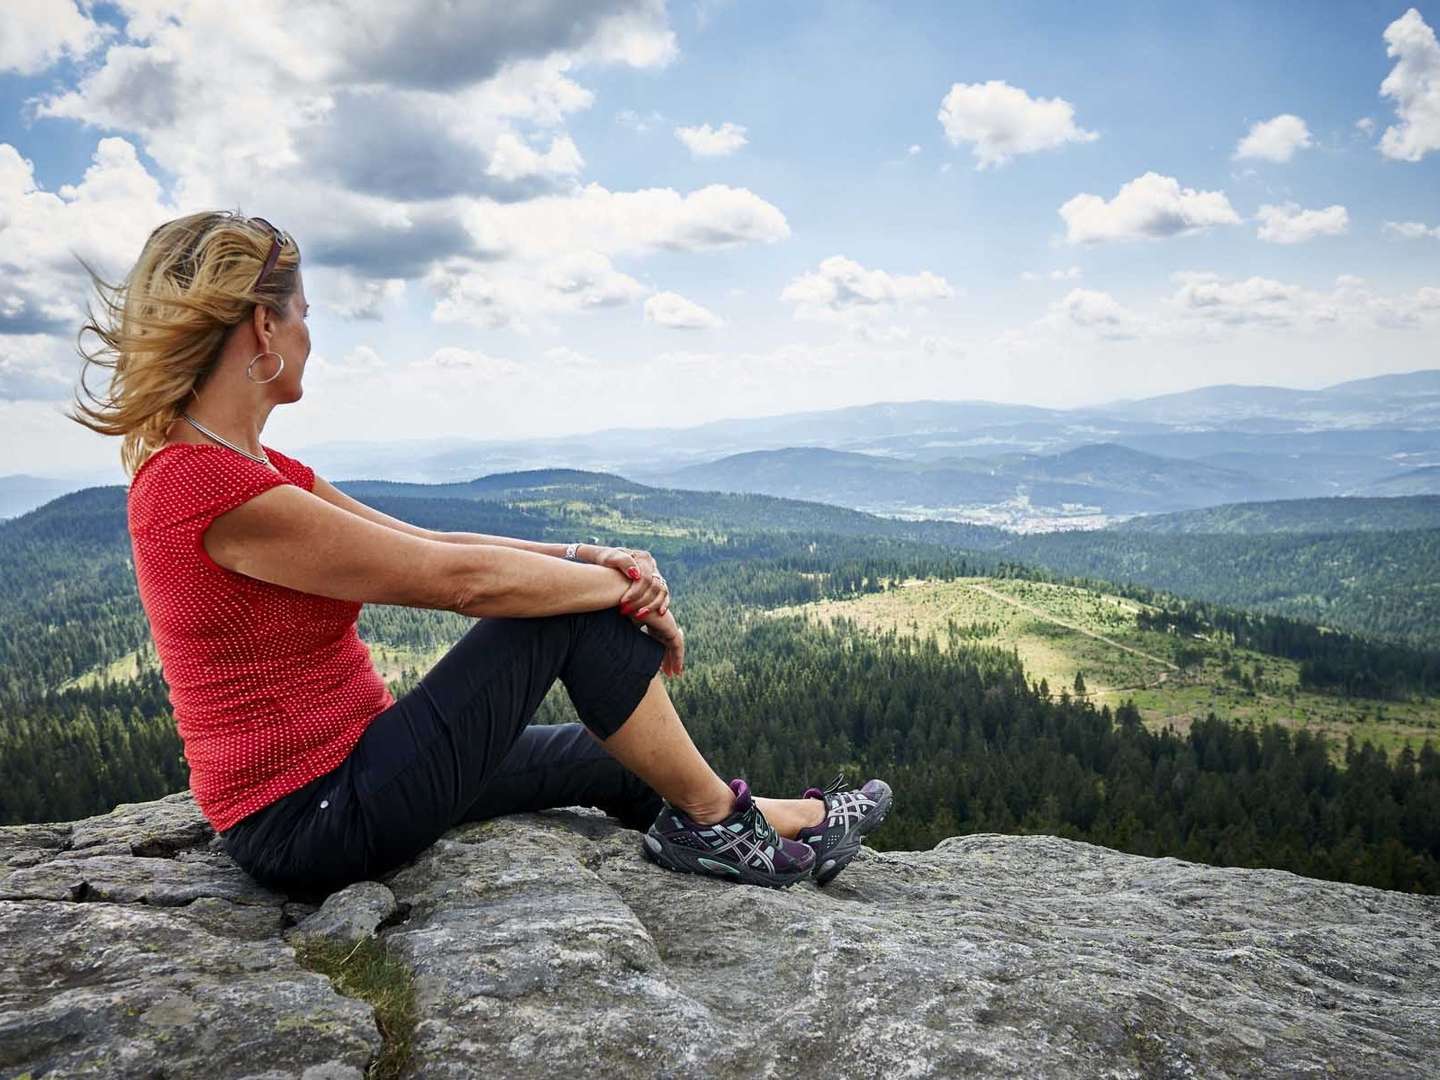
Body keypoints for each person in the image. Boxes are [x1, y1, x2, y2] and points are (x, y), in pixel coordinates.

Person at [69, 210, 892, 899]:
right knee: (557, 621)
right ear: (263, 325)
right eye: (303, 312)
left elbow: (430, 539)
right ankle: (724, 833)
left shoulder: (253, 469)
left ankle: (774, 821)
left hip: (360, 763)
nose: (309, 333)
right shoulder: (204, 487)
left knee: (611, 755)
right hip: (310, 817)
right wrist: (611, 590)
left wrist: (589, 552)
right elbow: (460, 582)